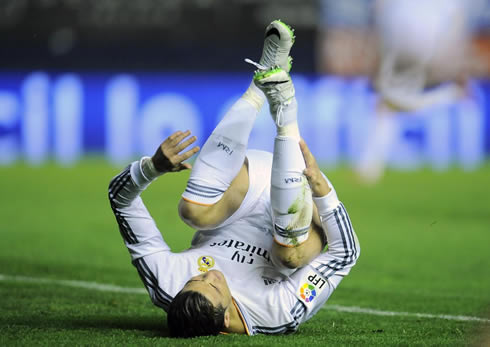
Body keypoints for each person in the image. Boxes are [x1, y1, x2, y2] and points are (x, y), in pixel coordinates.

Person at [108, 20, 360, 337]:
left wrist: (152, 168)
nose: (209, 273)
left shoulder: (166, 282)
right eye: (211, 285)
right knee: (289, 256)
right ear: (226, 320)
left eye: (195, 279)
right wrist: (325, 194)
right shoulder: (277, 312)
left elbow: (120, 198)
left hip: (243, 191)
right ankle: (285, 108)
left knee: (192, 212)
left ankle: (263, 80)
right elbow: (345, 253)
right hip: (299, 211)